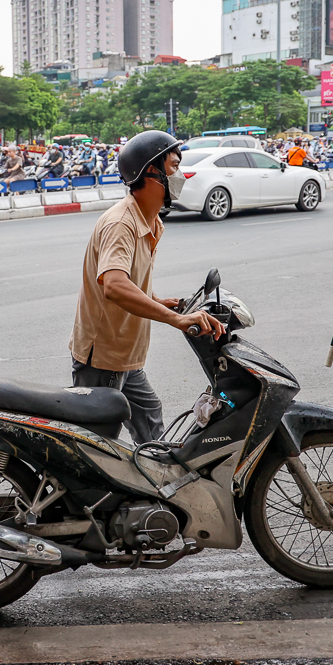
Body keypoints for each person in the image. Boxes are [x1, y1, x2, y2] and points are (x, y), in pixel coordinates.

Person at [70, 130, 224, 444]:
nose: (180, 174)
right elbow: (114, 285)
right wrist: (177, 319)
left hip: (125, 352)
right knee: (96, 444)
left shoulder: (151, 221)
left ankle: (156, 488)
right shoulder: (122, 223)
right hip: (104, 356)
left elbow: (128, 278)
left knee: (150, 420)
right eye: (173, 166)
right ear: (150, 172)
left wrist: (158, 301)